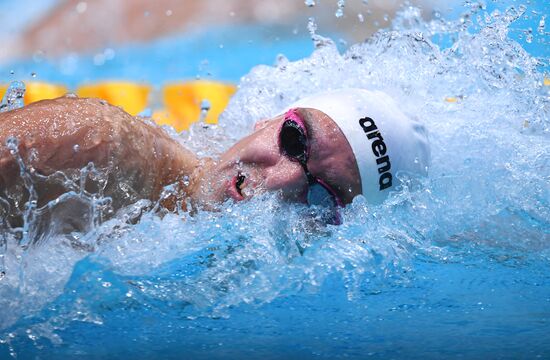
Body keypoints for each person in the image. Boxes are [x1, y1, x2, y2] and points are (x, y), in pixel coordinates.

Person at [0, 88, 429, 229]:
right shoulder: (94, 146)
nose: (279, 181)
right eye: (294, 142)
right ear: (269, 118)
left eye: (320, 196)